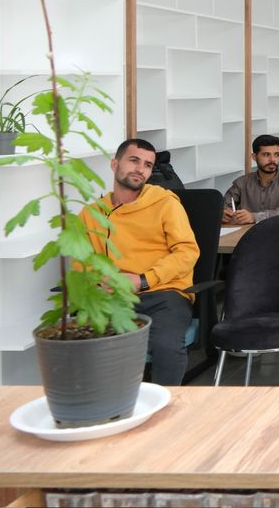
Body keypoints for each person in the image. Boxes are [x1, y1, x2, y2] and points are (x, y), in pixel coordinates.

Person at [78, 138, 200, 385]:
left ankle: (164, 405)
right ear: (114, 164)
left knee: (166, 345)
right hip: (111, 296)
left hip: (163, 293)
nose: (140, 169)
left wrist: (143, 280)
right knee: (82, 342)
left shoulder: (165, 204)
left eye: (147, 165)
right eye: (134, 160)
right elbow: (82, 263)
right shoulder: (91, 214)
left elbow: (187, 252)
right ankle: (101, 402)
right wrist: (99, 284)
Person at [224, 135, 279, 224]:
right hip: (245, 230)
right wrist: (224, 213)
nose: (272, 160)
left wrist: (254, 217)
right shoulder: (241, 182)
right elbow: (224, 204)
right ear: (254, 157)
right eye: (266, 154)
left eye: (276, 155)